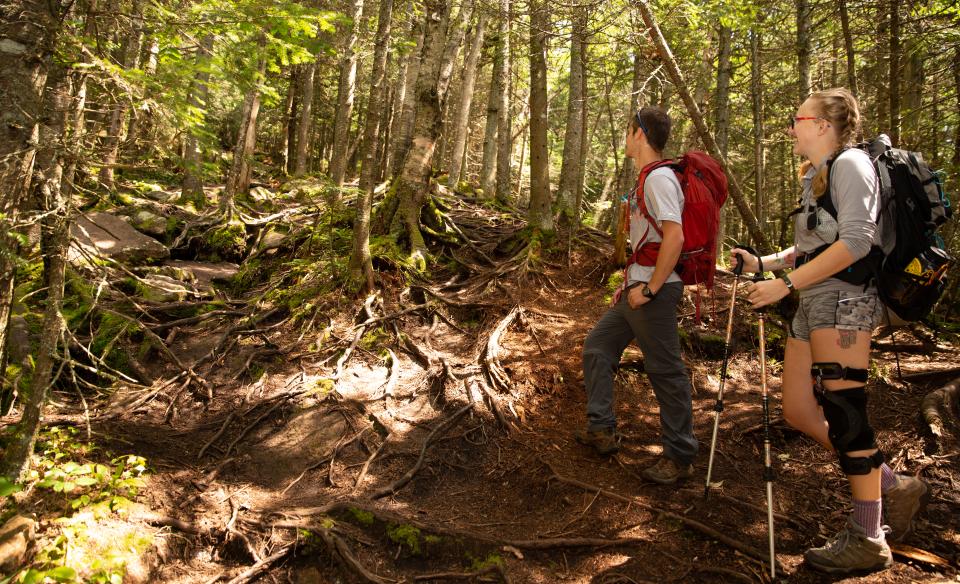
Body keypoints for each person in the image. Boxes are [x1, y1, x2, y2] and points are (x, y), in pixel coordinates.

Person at [732, 88, 929, 574]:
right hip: (814, 302)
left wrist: (784, 286)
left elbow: (858, 242)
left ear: (823, 125)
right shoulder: (816, 176)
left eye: (798, 118)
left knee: (845, 414)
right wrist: (764, 263)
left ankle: (868, 538)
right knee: (798, 409)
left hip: (845, 303)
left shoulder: (851, 166)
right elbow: (814, 247)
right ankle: (890, 484)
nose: (791, 126)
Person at [575, 106, 698, 485]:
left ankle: (679, 458)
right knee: (597, 348)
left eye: (629, 131)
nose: (626, 137)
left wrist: (650, 288)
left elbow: (674, 236)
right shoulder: (648, 177)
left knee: (666, 372)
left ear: (640, 134)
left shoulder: (659, 179)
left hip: (653, 292)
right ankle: (602, 429)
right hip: (638, 288)